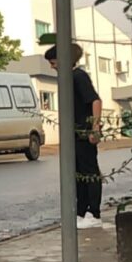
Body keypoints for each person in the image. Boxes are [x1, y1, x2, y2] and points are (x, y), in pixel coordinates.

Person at [44, 43, 103, 229]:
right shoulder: (68, 78)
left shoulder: (79, 76)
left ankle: (94, 213)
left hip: (84, 133)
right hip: (74, 135)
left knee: (90, 173)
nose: (52, 66)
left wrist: (94, 127)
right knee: (78, 175)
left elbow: (95, 100)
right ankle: (80, 212)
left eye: (53, 62)